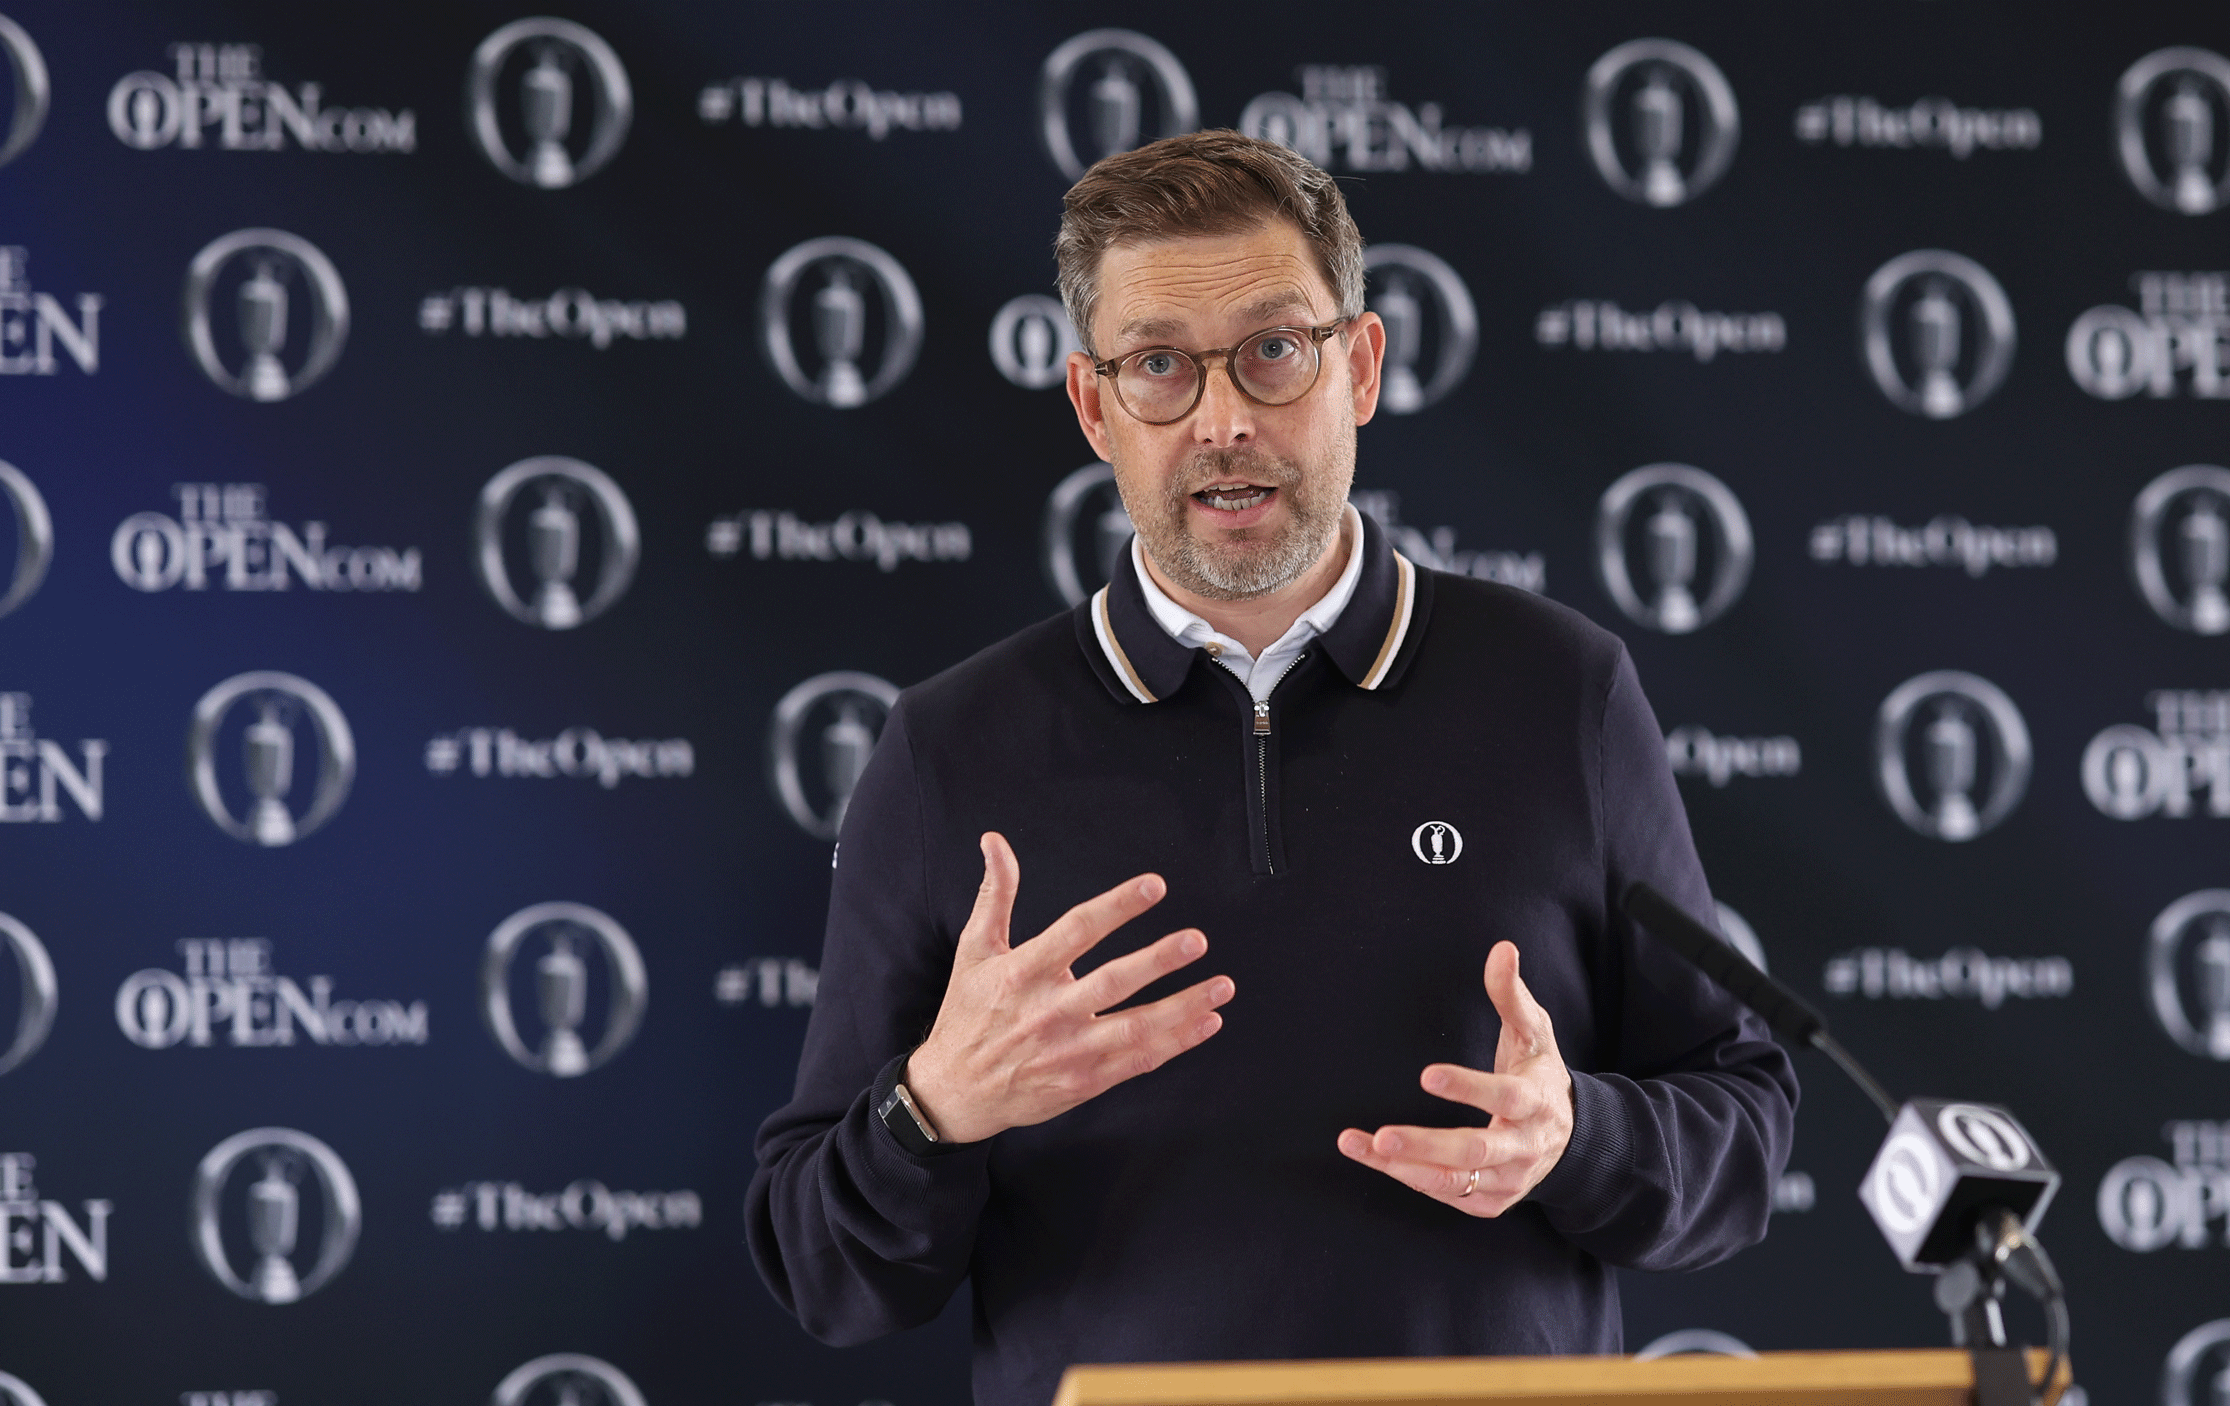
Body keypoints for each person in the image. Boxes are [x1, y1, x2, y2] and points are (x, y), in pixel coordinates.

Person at [747, 130, 1796, 1406]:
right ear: (1094, 405)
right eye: (1158, 367)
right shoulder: (946, 749)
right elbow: (825, 1270)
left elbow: (1743, 1123)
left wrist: (1582, 1137)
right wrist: (933, 1106)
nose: (1226, 417)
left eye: (1273, 350)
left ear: (1357, 365)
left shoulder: (1559, 693)